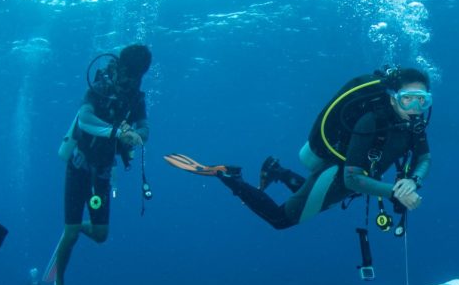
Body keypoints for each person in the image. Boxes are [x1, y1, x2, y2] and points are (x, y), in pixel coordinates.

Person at [164, 67, 432, 231]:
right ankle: (229, 176)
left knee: (313, 201)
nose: (414, 107)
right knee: (281, 220)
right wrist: (395, 193)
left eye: (422, 101)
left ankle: (277, 171)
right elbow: (351, 178)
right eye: (407, 99)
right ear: (392, 97)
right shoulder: (371, 121)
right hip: (336, 175)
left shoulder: (414, 124)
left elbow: (424, 156)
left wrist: (413, 181)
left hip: (353, 181)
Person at [45, 43, 152, 285]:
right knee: (71, 233)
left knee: (101, 235)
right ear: (121, 67)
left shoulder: (136, 97)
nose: (132, 81)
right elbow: (85, 118)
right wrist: (116, 131)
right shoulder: (100, 86)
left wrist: (136, 135)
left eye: (138, 76)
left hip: (104, 173)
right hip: (78, 167)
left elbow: (145, 127)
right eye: (130, 74)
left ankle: (72, 232)